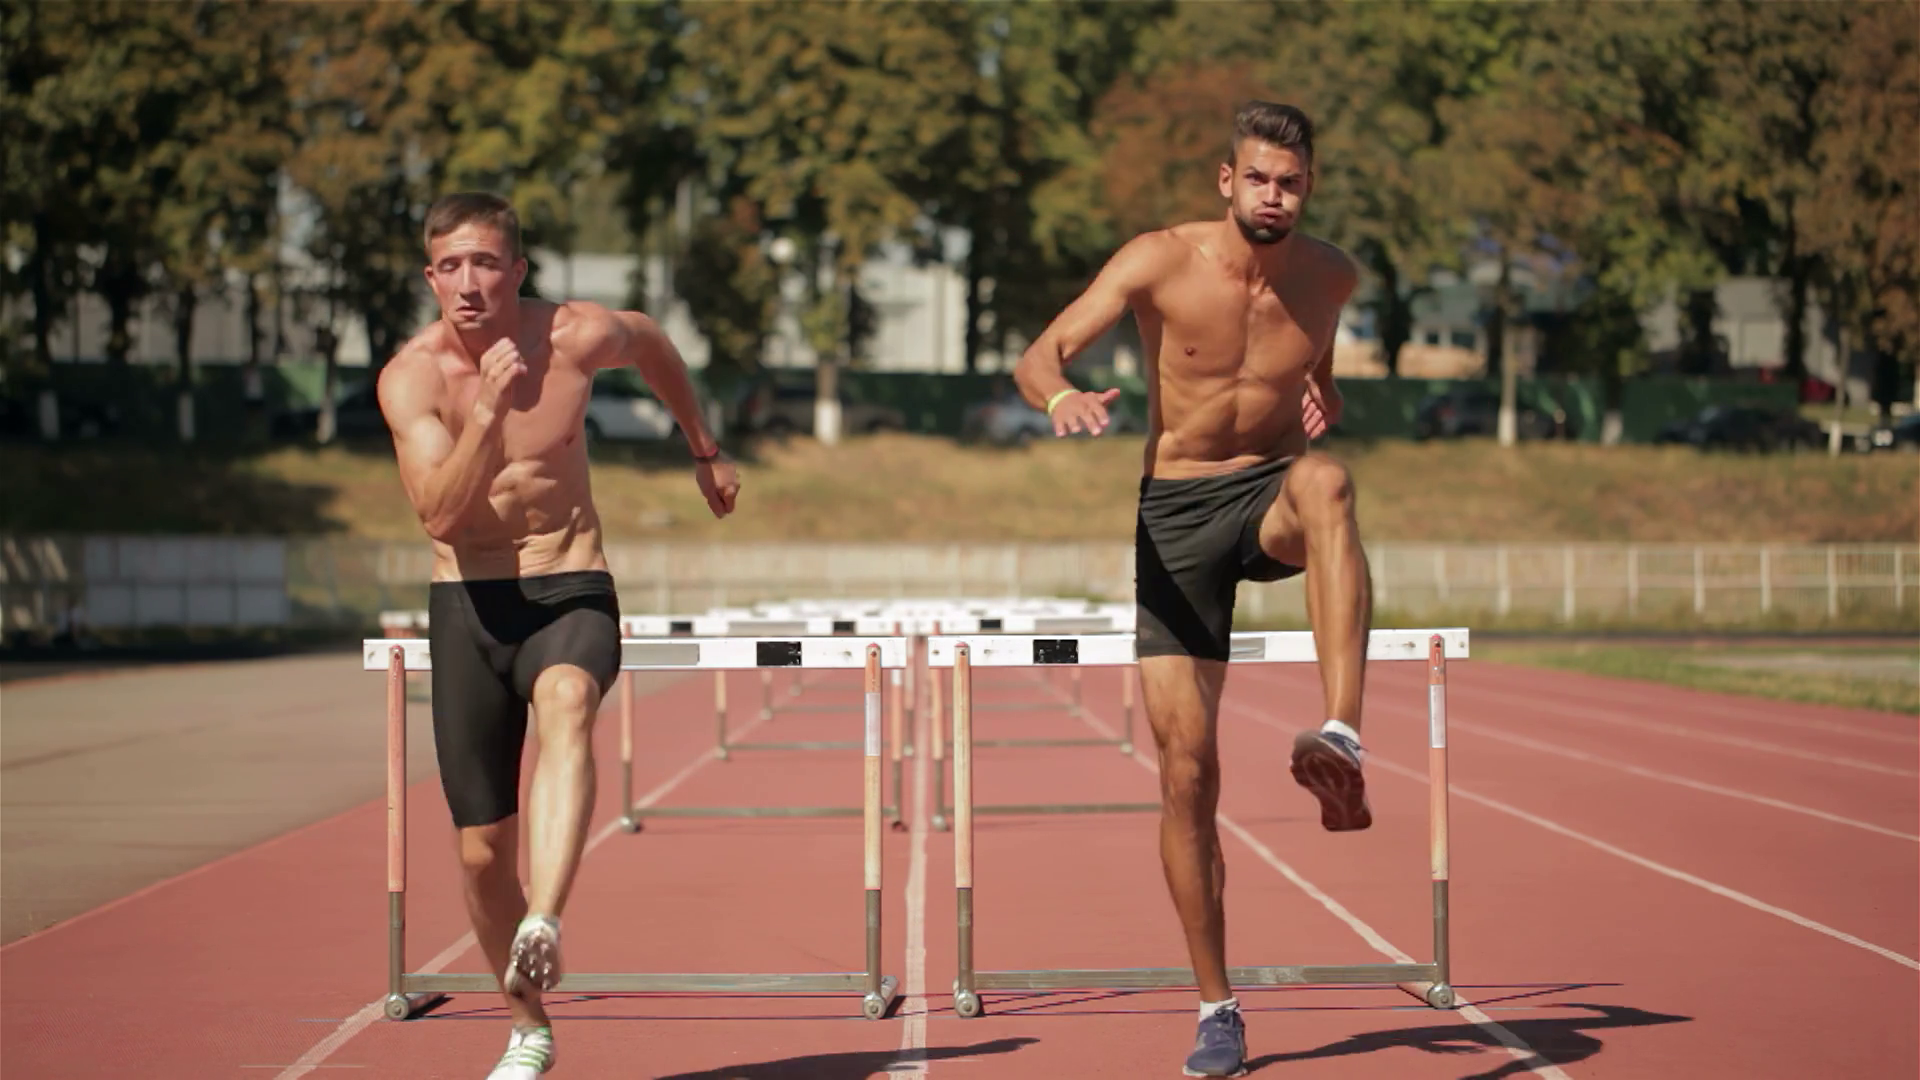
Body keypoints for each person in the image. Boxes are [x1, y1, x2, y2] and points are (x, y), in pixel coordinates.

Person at [1011, 101, 1373, 1078]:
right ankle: (1218, 1007)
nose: (1273, 196)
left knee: (1330, 485)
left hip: (1270, 492)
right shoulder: (1158, 260)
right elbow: (1038, 354)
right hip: (1176, 516)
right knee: (1187, 774)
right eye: (1257, 178)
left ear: (1309, 187)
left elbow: (1315, 367)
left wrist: (1327, 393)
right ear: (1227, 180)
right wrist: (1061, 396)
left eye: (1290, 182)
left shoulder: (1331, 275)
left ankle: (1341, 734)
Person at [376, 192, 740, 1079]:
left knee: (569, 699)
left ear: (518, 270)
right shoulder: (412, 379)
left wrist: (701, 446)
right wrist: (489, 414)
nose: (468, 284)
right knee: (479, 852)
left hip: (570, 581)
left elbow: (651, 342)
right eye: (450, 267)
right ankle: (527, 1025)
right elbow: (440, 515)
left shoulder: (575, 336)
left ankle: (545, 915)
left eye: (485, 263)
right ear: (430, 278)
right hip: (470, 604)